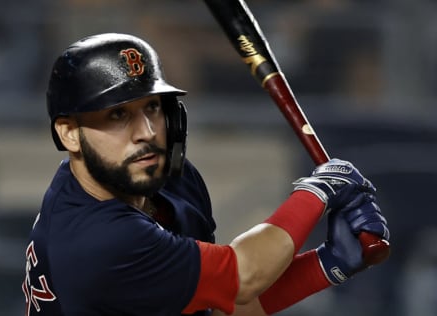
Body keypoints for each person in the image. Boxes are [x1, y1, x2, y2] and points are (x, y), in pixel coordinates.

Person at [22, 33, 389, 316]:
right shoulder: (97, 240)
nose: (147, 131)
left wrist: (327, 265)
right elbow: (243, 274)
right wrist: (319, 191)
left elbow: (218, 304)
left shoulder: (166, 179)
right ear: (70, 133)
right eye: (118, 115)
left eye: (152, 107)